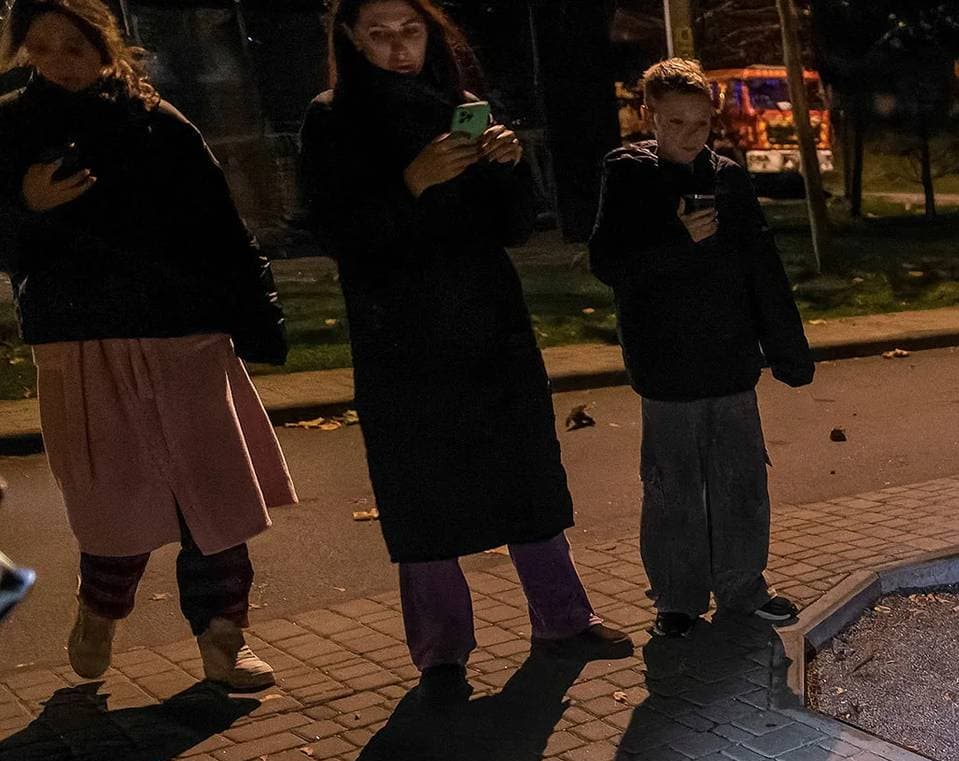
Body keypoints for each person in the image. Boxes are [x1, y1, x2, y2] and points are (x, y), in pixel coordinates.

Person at [298, 0, 629, 700]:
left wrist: (509, 168)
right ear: (352, 40)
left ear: (431, 34)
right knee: (423, 494)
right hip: (402, 335)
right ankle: (442, 653)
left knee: (526, 475)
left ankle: (563, 619)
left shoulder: (461, 106)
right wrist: (411, 183)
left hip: (488, 322)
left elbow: (513, 227)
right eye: (380, 35)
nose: (398, 48)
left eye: (410, 31)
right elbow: (335, 232)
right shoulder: (333, 119)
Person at [0, 0, 294, 690]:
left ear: (104, 44)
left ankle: (225, 637)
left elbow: (221, 230)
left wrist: (257, 317)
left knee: (210, 497)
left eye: (70, 46)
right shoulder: (11, 126)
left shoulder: (158, 121)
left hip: (180, 333)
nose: (55, 62)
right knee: (114, 497)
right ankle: (100, 609)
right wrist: (28, 209)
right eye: (38, 48)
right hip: (80, 338)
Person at [588, 57, 814, 639]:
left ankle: (742, 588)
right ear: (649, 117)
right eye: (674, 123)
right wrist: (675, 238)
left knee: (741, 482)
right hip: (664, 365)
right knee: (672, 488)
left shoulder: (729, 177)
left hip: (730, 360)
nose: (689, 136)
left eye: (700, 124)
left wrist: (787, 349)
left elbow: (761, 266)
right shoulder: (628, 175)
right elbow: (609, 264)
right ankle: (678, 598)